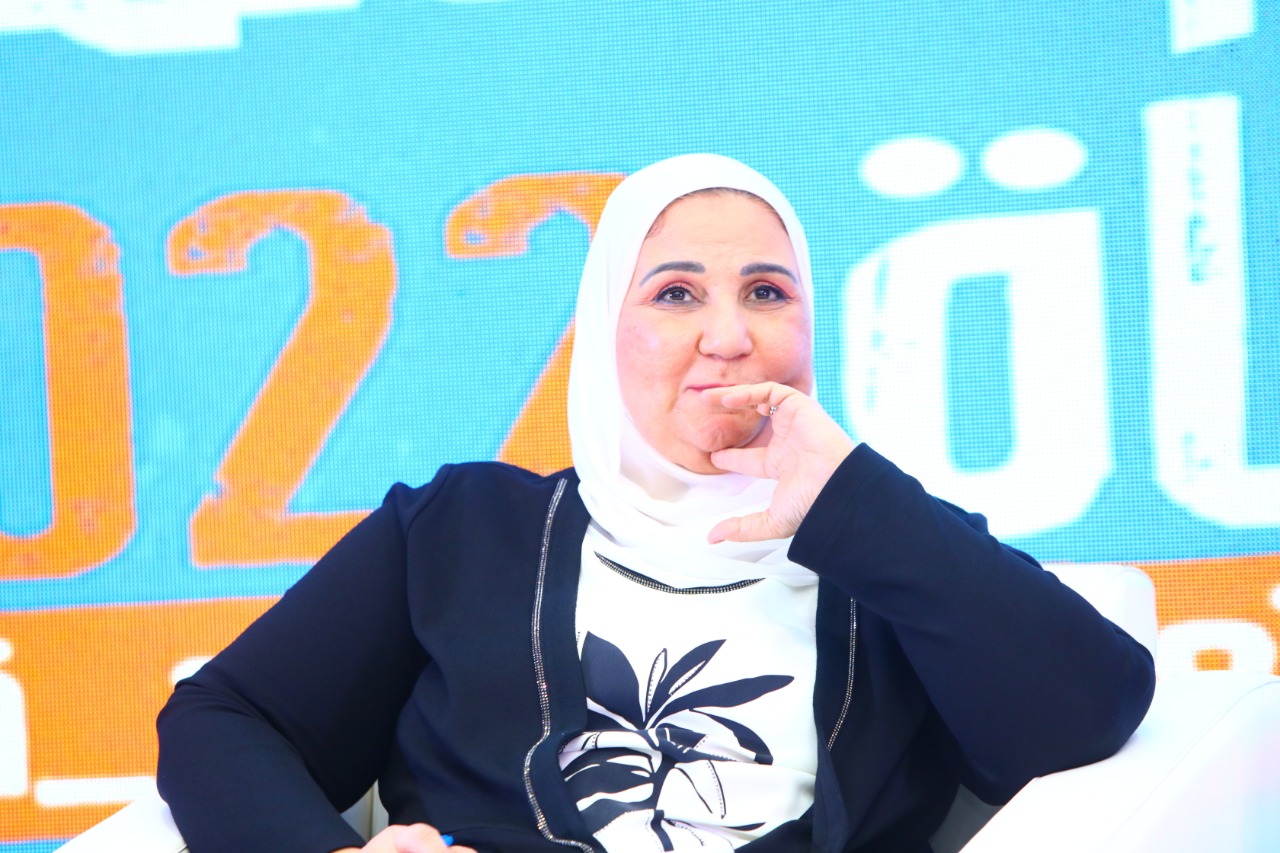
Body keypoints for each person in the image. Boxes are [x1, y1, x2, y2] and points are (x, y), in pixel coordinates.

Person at [156, 154, 1155, 853]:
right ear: (604, 330)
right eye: (676, 294)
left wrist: (856, 502)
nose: (728, 335)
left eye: (767, 293)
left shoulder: (890, 549)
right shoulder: (460, 531)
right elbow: (222, 718)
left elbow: (1082, 717)